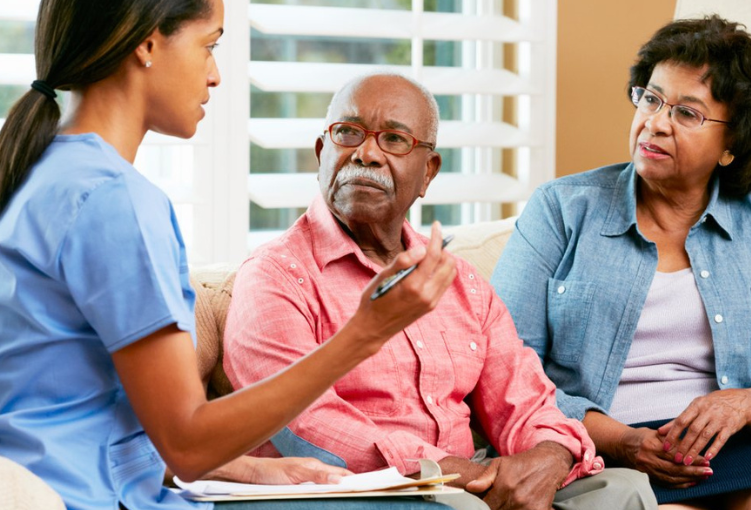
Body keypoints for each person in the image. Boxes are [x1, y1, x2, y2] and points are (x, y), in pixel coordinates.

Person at [0, 2, 457, 510]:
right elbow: (187, 443)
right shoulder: (116, 201)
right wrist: (366, 333)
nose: (216, 75)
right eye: (209, 45)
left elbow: (65, 412)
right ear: (147, 44)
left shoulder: (25, 178)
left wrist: (252, 469)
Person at [222, 73, 657, 510]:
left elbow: (524, 399)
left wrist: (549, 455)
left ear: (428, 172)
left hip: (467, 480)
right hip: (351, 487)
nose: (367, 154)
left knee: (622, 491)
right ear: (322, 152)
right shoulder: (276, 275)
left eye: (394, 139)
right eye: (348, 133)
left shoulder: (462, 283)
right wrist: (460, 473)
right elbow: (306, 424)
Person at [490, 15, 751, 510]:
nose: (656, 122)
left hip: (742, 448)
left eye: (687, 113)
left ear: (731, 146)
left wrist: (747, 404)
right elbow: (505, 372)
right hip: (609, 453)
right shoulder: (560, 209)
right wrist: (622, 440)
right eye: (651, 98)